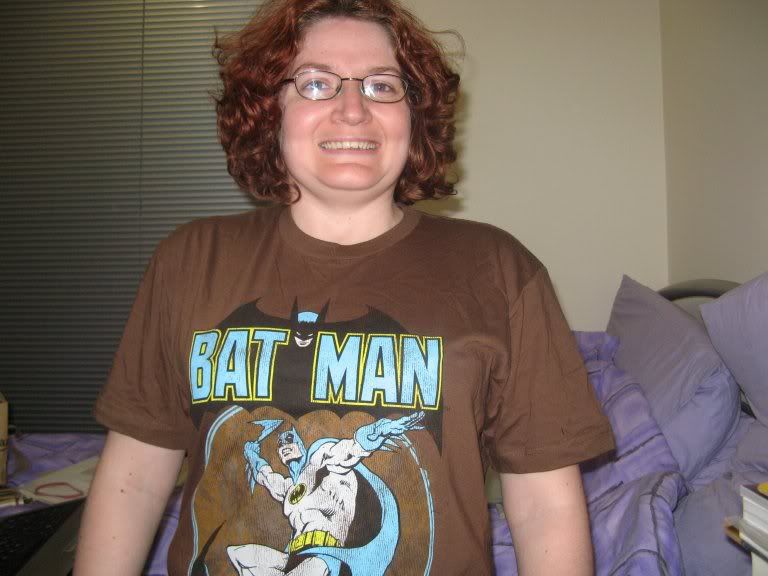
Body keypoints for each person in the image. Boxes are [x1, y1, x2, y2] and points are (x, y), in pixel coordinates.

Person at [75, 0, 614, 575]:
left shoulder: (499, 270)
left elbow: (545, 508)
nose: (353, 110)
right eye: (315, 83)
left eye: (382, 86)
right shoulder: (189, 261)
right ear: (270, 111)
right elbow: (134, 479)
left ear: (414, 114)